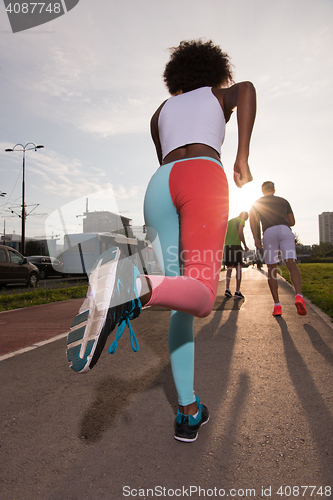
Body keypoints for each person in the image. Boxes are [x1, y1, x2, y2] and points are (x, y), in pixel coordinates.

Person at [66, 39, 256, 442]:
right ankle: (133, 285)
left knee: (179, 297)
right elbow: (247, 89)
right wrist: (242, 155)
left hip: (159, 185)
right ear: (214, 71)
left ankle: (188, 411)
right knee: (202, 295)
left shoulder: (161, 111)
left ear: (176, 78)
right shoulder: (217, 94)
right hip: (202, 176)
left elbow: (164, 157)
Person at [250, 181, 307, 317]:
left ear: (262, 191)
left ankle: (277, 306)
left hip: (269, 231)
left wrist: (256, 238)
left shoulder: (256, 203)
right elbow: (292, 222)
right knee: (291, 264)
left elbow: (253, 221)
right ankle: (298, 295)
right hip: (284, 229)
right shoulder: (283, 201)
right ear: (274, 190)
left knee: (272, 269)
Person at [223, 211, 249, 299]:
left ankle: (227, 289)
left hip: (227, 246)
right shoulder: (241, 220)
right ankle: (237, 291)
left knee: (229, 268)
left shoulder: (230, 222)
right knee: (238, 268)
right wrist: (245, 245)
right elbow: (240, 232)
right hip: (236, 246)